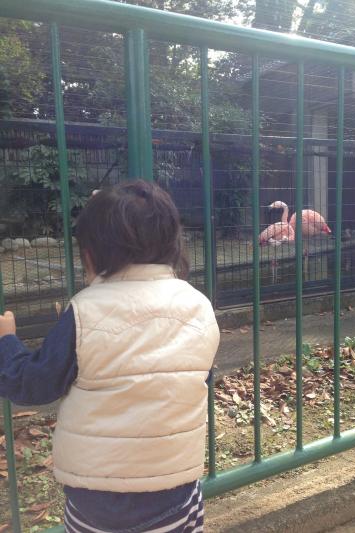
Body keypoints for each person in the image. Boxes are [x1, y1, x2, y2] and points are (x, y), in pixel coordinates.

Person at [0, 180, 220, 532]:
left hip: (96, 502)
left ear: (90, 254)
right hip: (174, 494)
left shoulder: (84, 311)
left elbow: (33, 385)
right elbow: (199, 379)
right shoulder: (199, 306)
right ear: (174, 244)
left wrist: (7, 342)